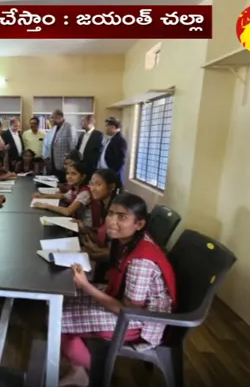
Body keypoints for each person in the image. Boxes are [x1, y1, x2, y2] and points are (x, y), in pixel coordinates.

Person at [59, 193, 177, 386]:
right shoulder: (129, 241)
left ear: (139, 224)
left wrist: (86, 286)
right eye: (111, 213)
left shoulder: (141, 260)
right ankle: (78, 369)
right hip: (123, 300)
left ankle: (94, 371)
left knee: (56, 318)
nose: (112, 221)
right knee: (62, 299)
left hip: (141, 322)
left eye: (122, 217)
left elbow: (128, 310)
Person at [75, 169, 122, 258]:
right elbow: (103, 233)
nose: (92, 188)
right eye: (92, 184)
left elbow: (115, 246)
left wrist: (95, 250)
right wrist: (86, 229)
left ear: (111, 186)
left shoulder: (116, 209)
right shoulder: (102, 204)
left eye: (98, 184)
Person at [48, 109, 75, 182]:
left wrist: (68, 163)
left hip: (64, 165)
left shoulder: (69, 127)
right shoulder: (55, 128)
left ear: (58, 117)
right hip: (54, 164)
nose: (52, 120)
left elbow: (72, 148)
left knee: (63, 186)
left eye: (52, 118)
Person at [98, 117, 128, 183]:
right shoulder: (111, 139)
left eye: (107, 126)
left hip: (112, 175)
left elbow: (120, 161)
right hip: (105, 172)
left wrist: (112, 174)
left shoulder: (120, 141)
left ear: (113, 127)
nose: (105, 128)